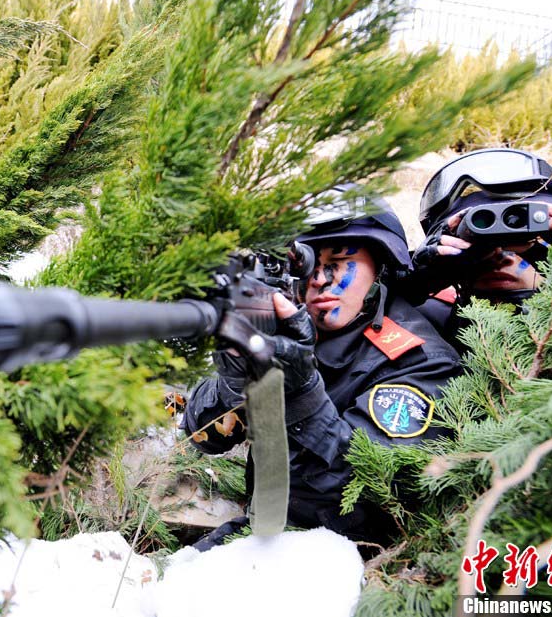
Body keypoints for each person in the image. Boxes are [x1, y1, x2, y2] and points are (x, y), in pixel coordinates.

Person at [183, 187, 462, 550]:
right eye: (306, 265)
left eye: (340, 260)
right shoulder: (285, 327)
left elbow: (374, 493)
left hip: (365, 552)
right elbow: (202, 436)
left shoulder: (417, 359)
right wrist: (233, 383)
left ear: (380, 264)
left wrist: (301, 394)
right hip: (269, 529)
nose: (319, 279)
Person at [409, 148, 552, 345]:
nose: (501, 256)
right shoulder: (428, 318)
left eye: (522, 240)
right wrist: (412, 283)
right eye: (482, 243)